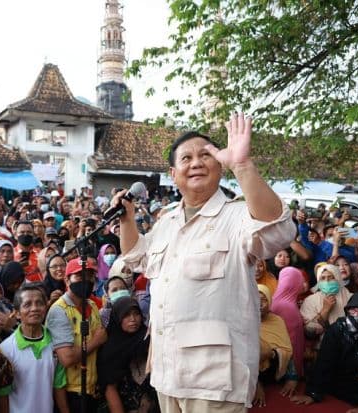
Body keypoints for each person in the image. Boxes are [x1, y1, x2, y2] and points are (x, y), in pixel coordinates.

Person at [116, 114, 296, 411]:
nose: (196, 162)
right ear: (173, 174)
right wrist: (127, 221)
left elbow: (278, 231)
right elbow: (138, 259)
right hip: (166, 368)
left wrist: (242, 165)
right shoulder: (167, 221)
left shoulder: (237, 214)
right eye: (186, 158)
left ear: (220, 166)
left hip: (215, 376)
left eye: (205, 155)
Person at [290, 292, 358, 408]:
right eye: (352, 310)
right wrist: (313, 393)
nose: (355, 316)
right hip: (340, 387)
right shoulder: (338, 329)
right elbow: (324, 361)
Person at [45, 257, 108, 412]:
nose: (86, 280)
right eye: (80, 276)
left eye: (90, 276)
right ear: (67, 280)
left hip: (91, 388)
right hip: (70, 392)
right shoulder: (59, 310)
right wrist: (96, 341)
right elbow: (67, 358)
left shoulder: (92, 305)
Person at [0, 284, 69, 413]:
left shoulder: (56, 343)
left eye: (39, 303)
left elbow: (58, 385)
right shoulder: (5, 349)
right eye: (27, 305)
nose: (34, 308)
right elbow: (3, 394)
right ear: (17, 314)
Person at [97, 296, 156, 413]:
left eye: (136, 314)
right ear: (117, 317)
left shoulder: (149, 338)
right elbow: (110, 387)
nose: (133, 319)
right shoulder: (110, 349)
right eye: (126, 315)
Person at [254, 284, 293, 408]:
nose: (259, 304)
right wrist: (255, 384)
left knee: (275, 351)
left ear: (270, 302)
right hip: (248, 373)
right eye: (255, 299)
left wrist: (293, 378)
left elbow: (288, 349)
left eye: (264, 300)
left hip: (272, 370)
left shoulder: (277, 320)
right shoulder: (242, 320)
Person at [269, 267, 306, 381]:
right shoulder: (287, 306)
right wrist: (293, 375)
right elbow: (291, 342)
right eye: (300, 280)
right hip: (287, 371)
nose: (302, 284)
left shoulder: (275, 300)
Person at [300, 263, 352, 342]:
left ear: (338, 278)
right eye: (323, 278)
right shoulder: (310, 301)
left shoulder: (351, 298)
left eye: (331, 278)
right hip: (323, 346)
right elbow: (309, 333)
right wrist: (325, 310)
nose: (327, 281)